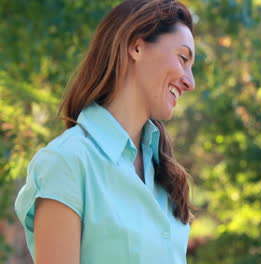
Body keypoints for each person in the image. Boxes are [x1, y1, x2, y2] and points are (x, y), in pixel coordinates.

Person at [15, 0, 196, 263]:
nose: (190, 81)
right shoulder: (66, 163)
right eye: (183, 58)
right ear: (136, 46)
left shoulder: (164, 175)